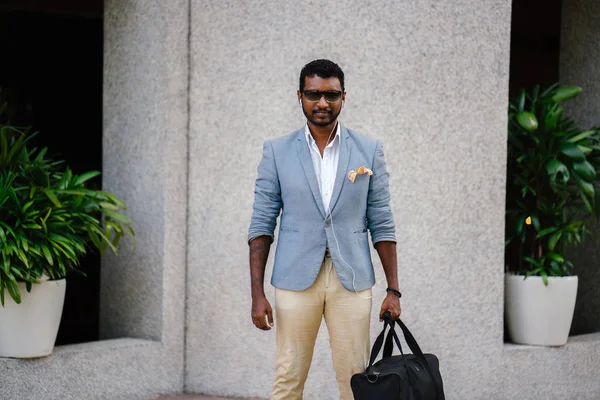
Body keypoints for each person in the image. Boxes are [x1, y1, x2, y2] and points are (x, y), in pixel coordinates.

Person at [248, 59, 401, 400]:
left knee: (356, 380)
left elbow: (382, 221)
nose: (322, 103)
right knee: (288, 378)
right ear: (300, 96)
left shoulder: (368, 150)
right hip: (294, 278)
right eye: (313, 94)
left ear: (343, 97)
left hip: (352, 279)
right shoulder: (277, 151)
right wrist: (257, 293)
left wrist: (394, 289)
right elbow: (262, 223)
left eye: (331, 94)